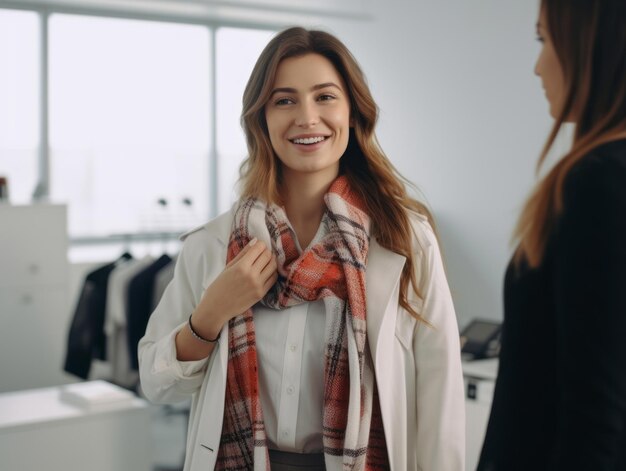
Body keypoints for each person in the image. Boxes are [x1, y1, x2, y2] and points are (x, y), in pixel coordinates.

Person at [139, 26, 465, 471]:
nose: (307, 118)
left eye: (325, 97)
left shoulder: (404, 239)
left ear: (353, 113)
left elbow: (440, 395)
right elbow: (156, 385)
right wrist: (210, 314)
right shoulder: (213, 245)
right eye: (285, 100)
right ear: (262, 119)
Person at [477, 0, 626, 469]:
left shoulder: (599, 182)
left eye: (545, 40)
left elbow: (595, 414)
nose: (538, 66)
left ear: (593, 45)